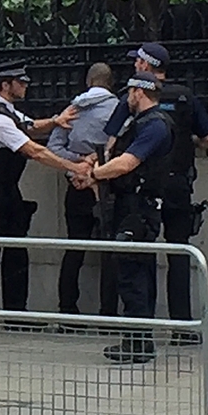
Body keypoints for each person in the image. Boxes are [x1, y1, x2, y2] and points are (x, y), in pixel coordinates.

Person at [0, 59, 91, 334]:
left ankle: (16, 313)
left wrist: (56, 121)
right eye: (20, 83)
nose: (25, 86)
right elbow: (34, 150)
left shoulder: (9, 113)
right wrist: (73, 166)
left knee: (16, 252)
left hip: (8, 190)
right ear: (5, 85)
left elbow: (31, 126)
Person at [105, 43, 208, 346]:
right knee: (180, 253)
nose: (133, 66)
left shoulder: (131, 99)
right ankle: (182, 327)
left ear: (146, 66)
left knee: (141, 256)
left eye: (137, 62)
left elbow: (111, 140)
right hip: (178, 185)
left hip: (144, 188)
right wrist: (185, 142)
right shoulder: (185, 96)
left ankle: (142, 330)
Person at [74, 71, 173, 363]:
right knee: (130, 272)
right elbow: (113, 153)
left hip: (138, 209)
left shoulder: (155, 125)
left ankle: (138, 343)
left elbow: (127, 164)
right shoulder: (140, 122)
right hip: (129, 206)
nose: (126, 97)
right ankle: (136, 340)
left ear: (138, 92)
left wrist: (92, 174)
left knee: (133, 275)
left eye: (129, 92)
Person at [46, 62, 119, 321]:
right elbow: (120, 148)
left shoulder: (72, 109)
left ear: (88, 82)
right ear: (111, 83)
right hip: (105, 186)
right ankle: (108, 315)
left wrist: (77, 167)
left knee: (74, 246)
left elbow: (54, 147)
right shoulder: (118, 109)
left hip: (75, 186)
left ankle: (67, 311)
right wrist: (93, 165)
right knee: (110, 251)